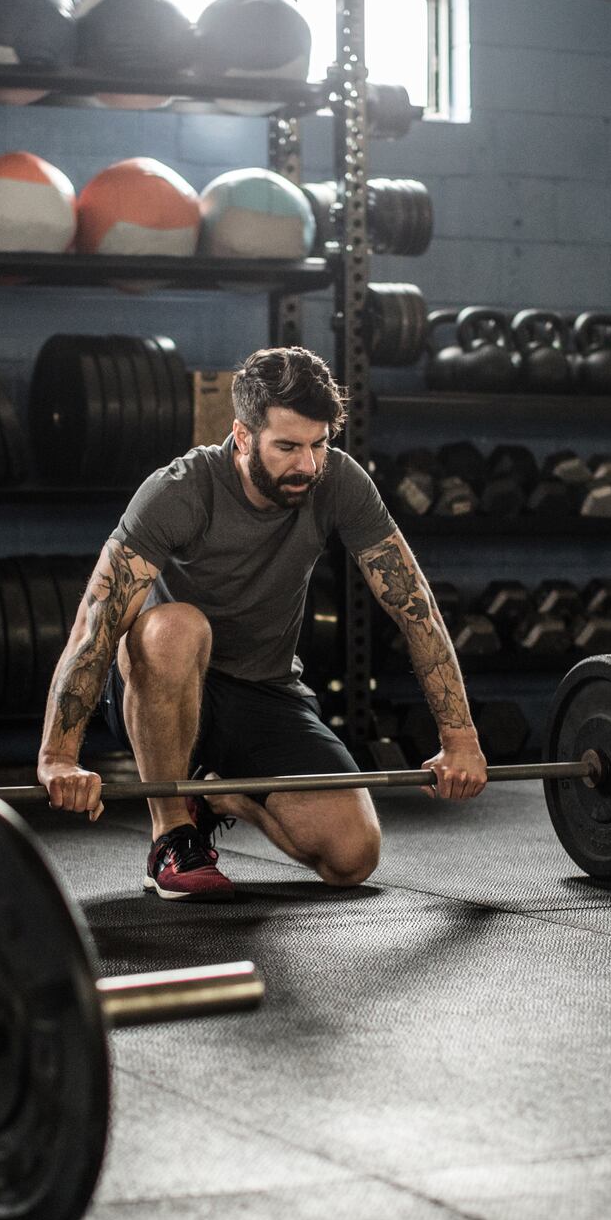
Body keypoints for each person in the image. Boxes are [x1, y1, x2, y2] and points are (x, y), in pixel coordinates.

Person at [36, 345, 486, 901]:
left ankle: (223, 796)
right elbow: (96, 624)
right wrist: (59, 756)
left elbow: (413, 606)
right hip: (161, 680)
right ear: (243, 436)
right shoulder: (180, 490)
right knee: (176, 626)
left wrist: (459, 738)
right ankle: (172, 833)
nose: (308, 465)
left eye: (320, 445)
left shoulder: (338, 483)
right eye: (288, 447)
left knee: (352, 857)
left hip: (264, 689)